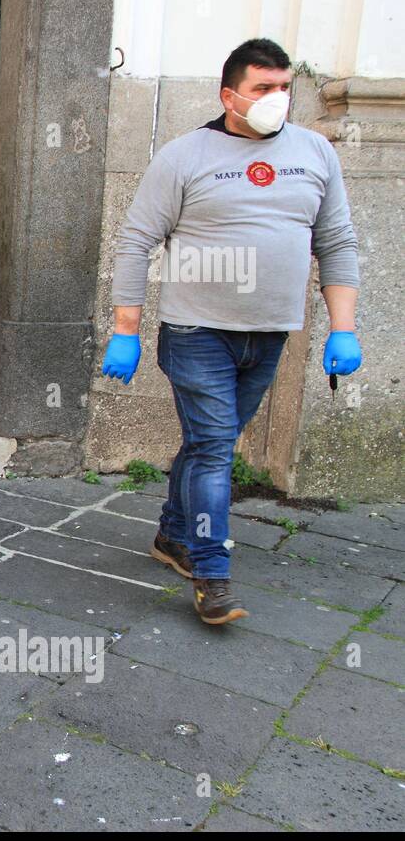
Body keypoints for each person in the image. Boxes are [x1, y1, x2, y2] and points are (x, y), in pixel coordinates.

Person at [101, 38, 362, 626]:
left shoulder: (316, 153)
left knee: (206, 445)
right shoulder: (185, 155)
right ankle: (212, 574)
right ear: (229, 96)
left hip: (269, 334)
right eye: (262, 89)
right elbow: (136, 240)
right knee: (218, 450)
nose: (277, 99)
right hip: (198, 332)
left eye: (283, 88)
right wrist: (127, 328)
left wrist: (343, 329)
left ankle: (172, 535)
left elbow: (336, 243)